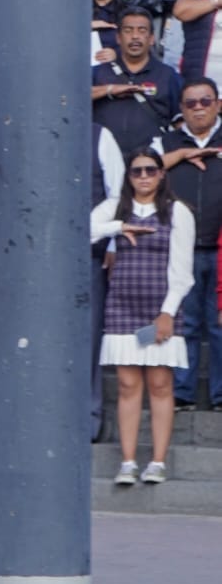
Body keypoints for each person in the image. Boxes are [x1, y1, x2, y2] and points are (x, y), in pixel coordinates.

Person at [92, 146, 194, 487]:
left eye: (151, 170)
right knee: (127, 384)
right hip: (122, 308)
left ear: (162, 173)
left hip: (158, 312)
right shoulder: (115, 209)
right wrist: (119, 227)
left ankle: (158, 461)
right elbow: (83, 229)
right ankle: (128, 461)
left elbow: (182, 271)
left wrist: (167, 313)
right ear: (129, 176)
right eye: (137, 171)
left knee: (160, 384)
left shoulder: (176, 212)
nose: (144, 176)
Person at [159, 78, 222, 411]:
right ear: (181, 109)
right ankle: (183, 393)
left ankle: (220, 394)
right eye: (191, 103)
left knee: (219, 324)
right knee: (187, 323)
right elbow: (142, 170)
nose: (199, 108)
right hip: (182, 249)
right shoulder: (168, 141)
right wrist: (183, 154)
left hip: (221, 248)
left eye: (205, 101)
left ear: (218, 104)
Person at [92, 4, 181, 156]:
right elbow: (74, 97)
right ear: (118, 38)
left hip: (149, 168)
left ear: (152, 38)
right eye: (128, 30)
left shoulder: (167, 75)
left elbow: (181, 120)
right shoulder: (99, 73)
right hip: (105, 161)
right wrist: (109, 90)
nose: (135, 36)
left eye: (142, 30)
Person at [89, 125, 127, 443]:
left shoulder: (100, 135)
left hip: (89, 254)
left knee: (88, 339)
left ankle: (89, 417)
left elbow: (117, 193)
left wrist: (112, 243)